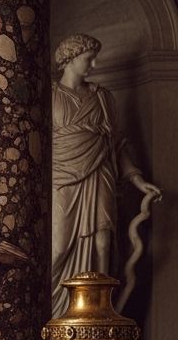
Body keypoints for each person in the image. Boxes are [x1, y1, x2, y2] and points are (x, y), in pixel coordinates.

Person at [51, 33, 161, 316]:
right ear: (70, 59)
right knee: (58, 247)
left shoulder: (102, 98)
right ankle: (50, 311)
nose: (95, 65)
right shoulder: (50, 96)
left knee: (102, 244)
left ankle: (98, 314)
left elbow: (117, 144)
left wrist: (137, 180)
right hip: (62, 179)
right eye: (89, 59)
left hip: (100, 175)